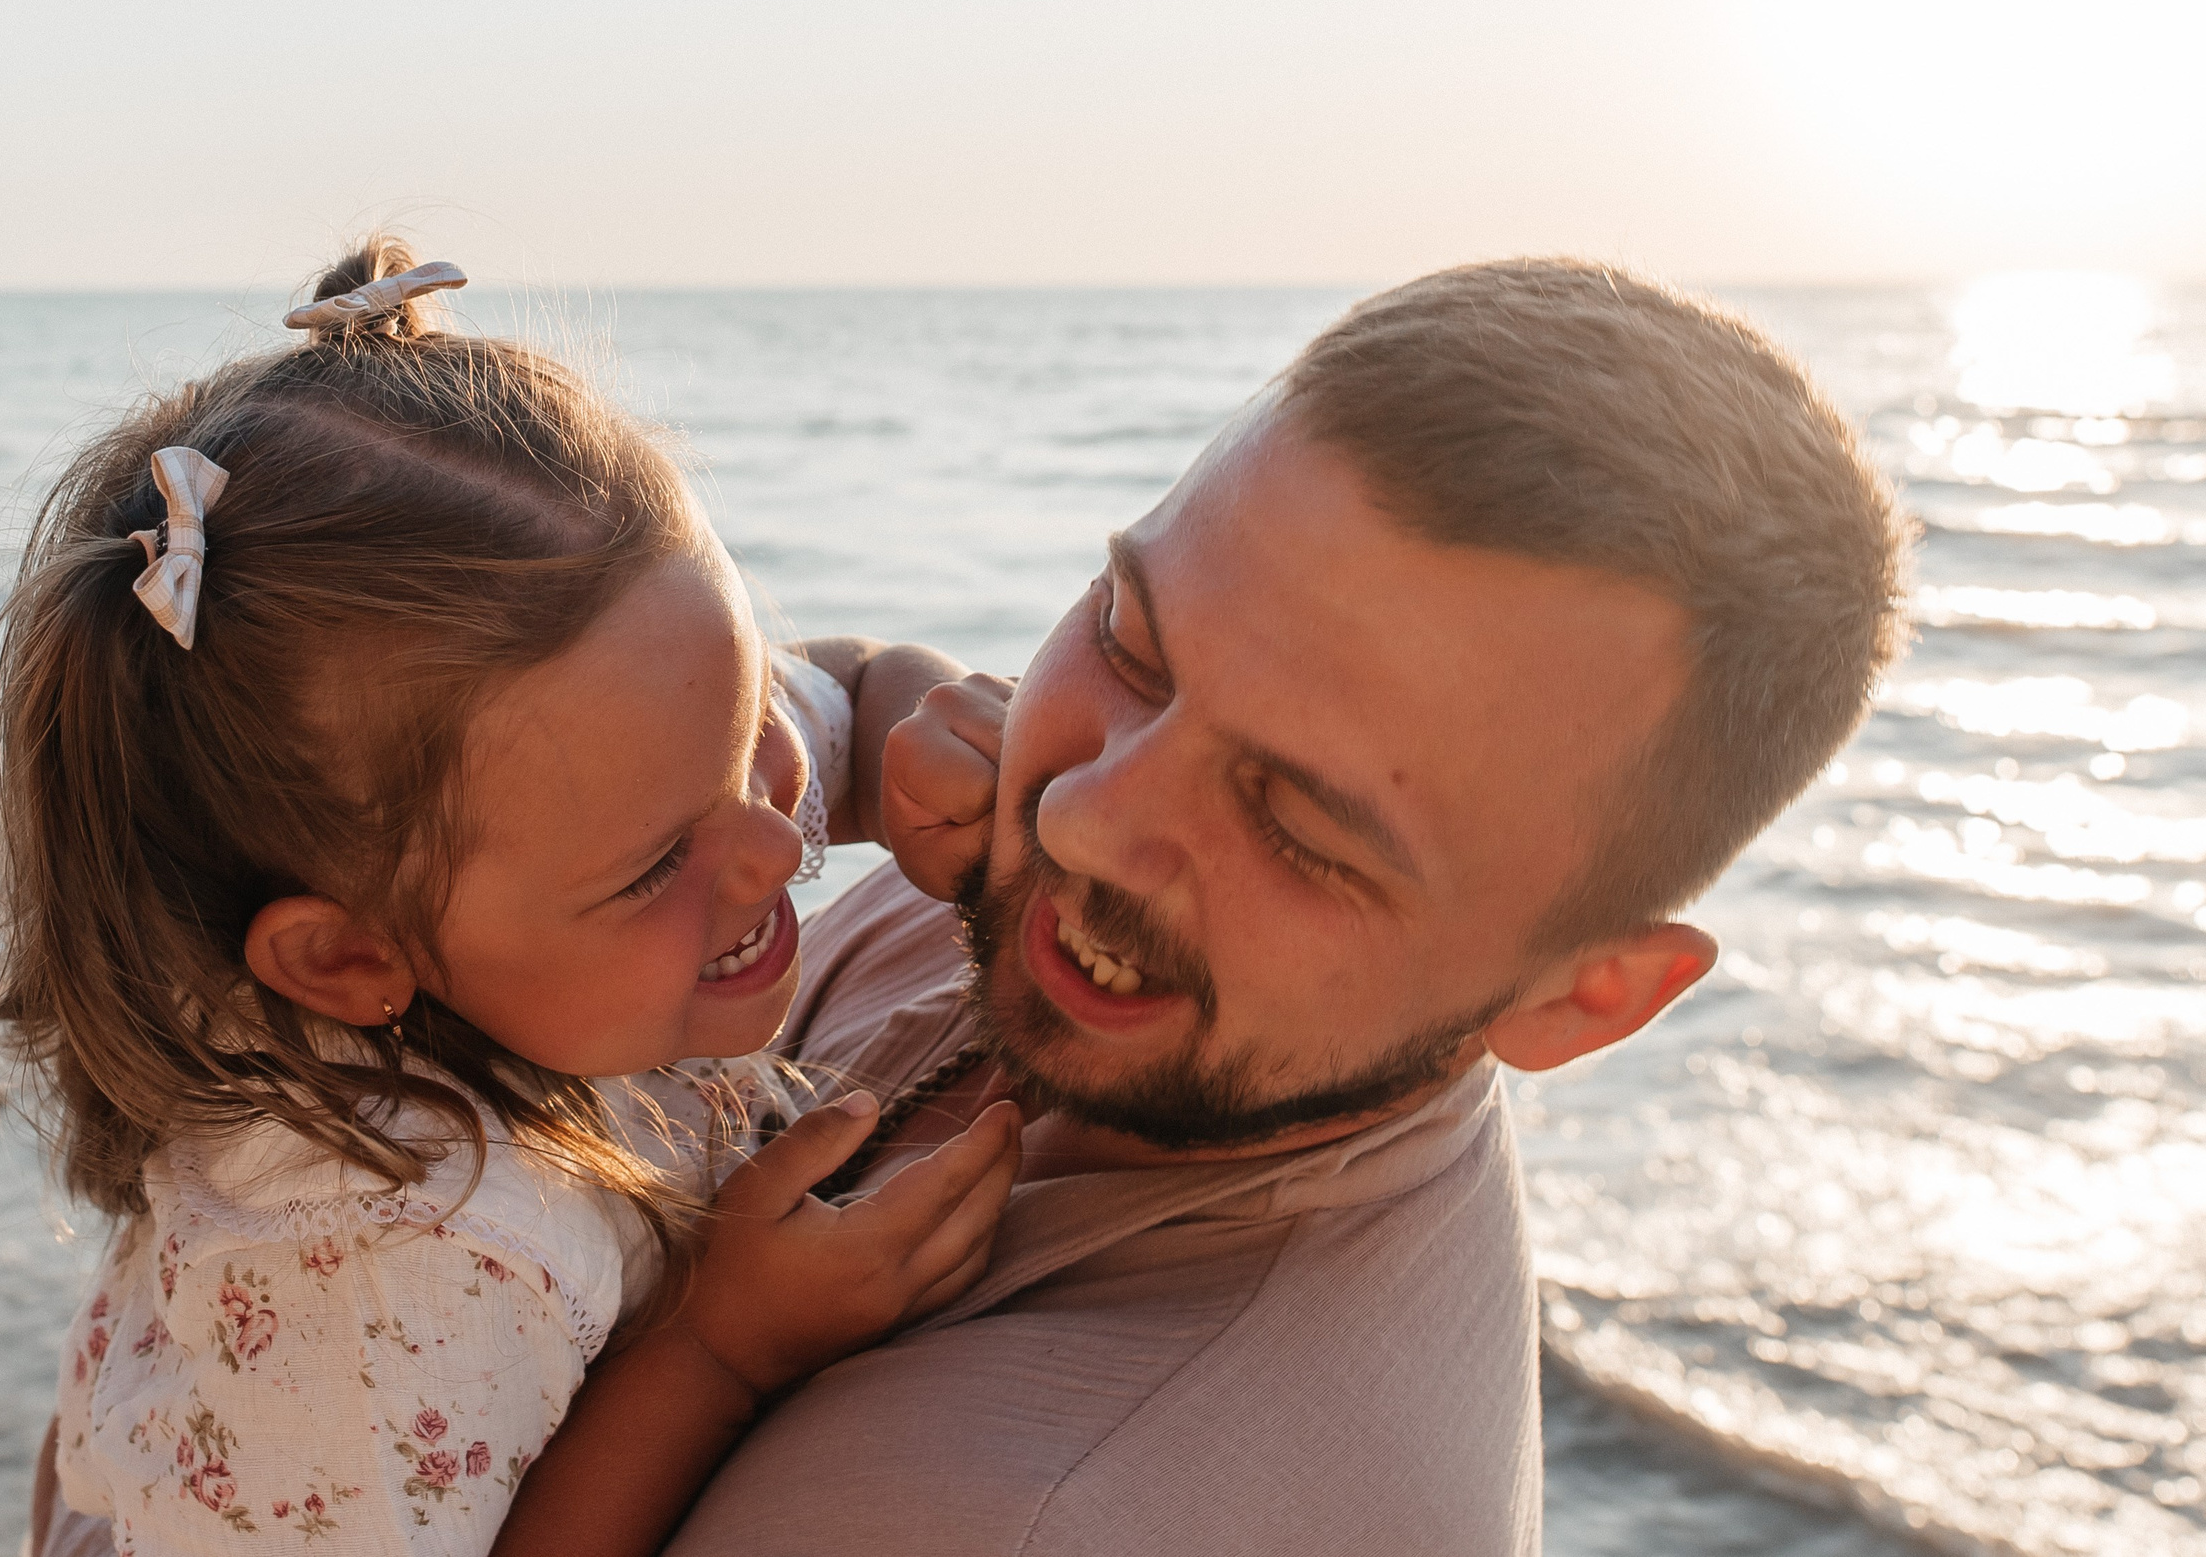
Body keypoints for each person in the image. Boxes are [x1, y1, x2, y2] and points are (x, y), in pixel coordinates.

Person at [667, 259, 1911, 1555]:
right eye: (1129, 638)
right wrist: (822, 730)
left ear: (1581, 994)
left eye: (1300, 828)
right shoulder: (1085, 912)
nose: (1085, 814)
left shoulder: (1016, 1509)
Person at [0, 241, 1021, 1557]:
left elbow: (850, 691)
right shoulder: (400, 1264)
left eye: (749, 725)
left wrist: (921, 728)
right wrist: (717, 1341)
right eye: (659, 864)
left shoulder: (626, 776)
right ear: (354, 957)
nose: (773, 843)